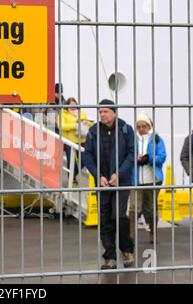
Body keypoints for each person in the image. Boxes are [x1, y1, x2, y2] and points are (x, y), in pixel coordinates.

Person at [83, 99, 135, 269]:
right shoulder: (93, 131)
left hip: (121, 181)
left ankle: (126, 250)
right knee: (105, 219)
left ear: (114, 112)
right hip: (102, 183)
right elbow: (88, 156)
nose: (102, 115)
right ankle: (109, 257)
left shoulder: (126, 130)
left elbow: (131, 154)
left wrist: (119, 174)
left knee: (118, 216)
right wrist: (98, 176)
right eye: (100, 112)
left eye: (105, 111)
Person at [129, 112, 166, 244]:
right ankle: (131, 236)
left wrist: (149, 159)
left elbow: (162, 156)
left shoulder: (156, 139)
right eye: (139, 126)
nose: (141, 129)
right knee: (134, 207)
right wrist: (135, 159)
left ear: (149, 126)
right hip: (136, 180)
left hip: (153, 180)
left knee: (150, 208)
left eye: (144, 126)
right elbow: (127, 155)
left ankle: (153, 233)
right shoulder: (132, 139)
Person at [58, 97, 92, 181]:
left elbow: (89, 123)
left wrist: (88, 123)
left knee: (84, 161)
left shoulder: (82, 113)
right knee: (71, 161)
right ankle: (72, 179)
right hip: (69, 142)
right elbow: (61, 126)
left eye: (74, 105)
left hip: (82, 141)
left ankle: (74, 174)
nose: (73, 107)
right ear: (67, 105)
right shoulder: (63, 114)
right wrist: (75, 125)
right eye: (71, 105)